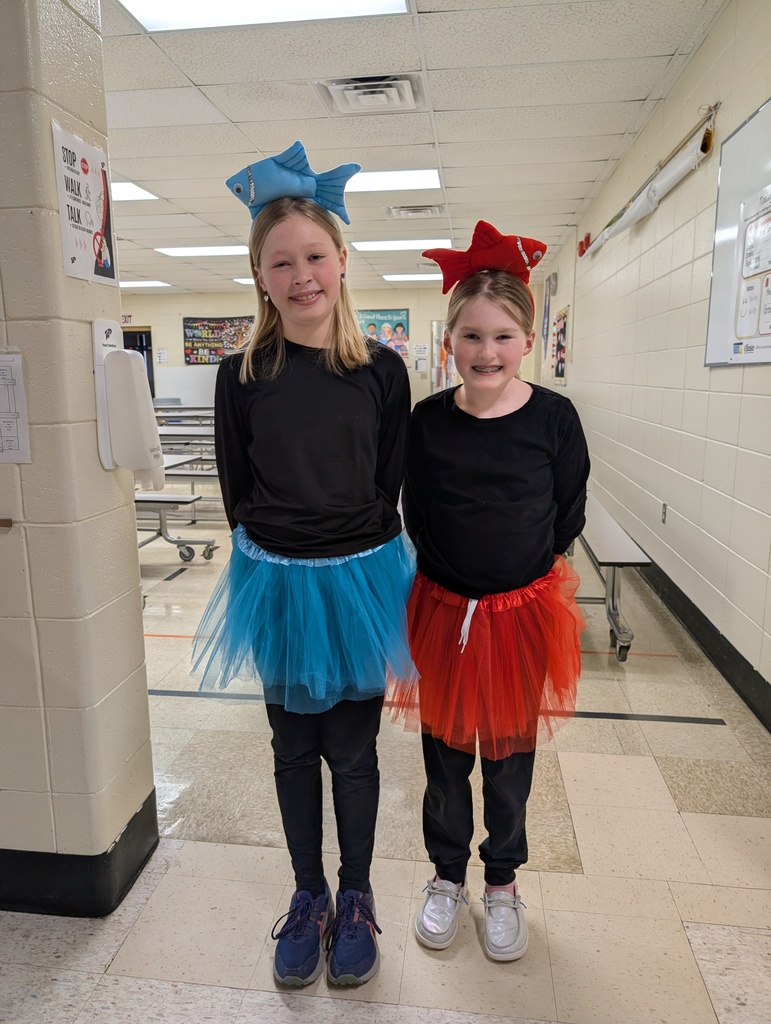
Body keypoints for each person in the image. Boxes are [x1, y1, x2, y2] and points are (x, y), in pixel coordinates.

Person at [192, 143, 416, 989]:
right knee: (291, 748)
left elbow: (388, 484)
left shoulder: (380, 371)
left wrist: (346, 546)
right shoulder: (242, 374)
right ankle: (308, 894)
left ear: (342, 261)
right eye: (280, 262)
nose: (300, 276)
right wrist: (277, 549)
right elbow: (236, 489)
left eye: (314, 257)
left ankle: (355, 895)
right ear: (258, 276)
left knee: (352, 753)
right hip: (278, 584)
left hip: (359, 581)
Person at [392, 220, 589, 963]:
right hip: (443, 614)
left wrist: (523, 577)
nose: (486, 351)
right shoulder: (427, 422)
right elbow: (416, 509)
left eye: (502, 336)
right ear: (449, 342)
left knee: (508, 765)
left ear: (527, 341)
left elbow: (566, 510)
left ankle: (501, 881)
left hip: (519, 617)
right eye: (471, 336)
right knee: (445, 761)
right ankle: (447, 876)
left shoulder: (554, 418)